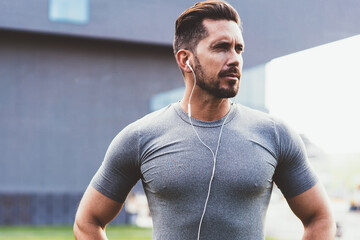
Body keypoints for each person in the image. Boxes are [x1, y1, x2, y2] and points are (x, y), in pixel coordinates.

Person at [74, 1, 336, 239]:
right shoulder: (141, 137)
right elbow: (87, 222)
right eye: (221, 48)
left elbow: (320, 218)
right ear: (185, 60)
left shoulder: (275, 134)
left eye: (239, 49)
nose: (235, 59)